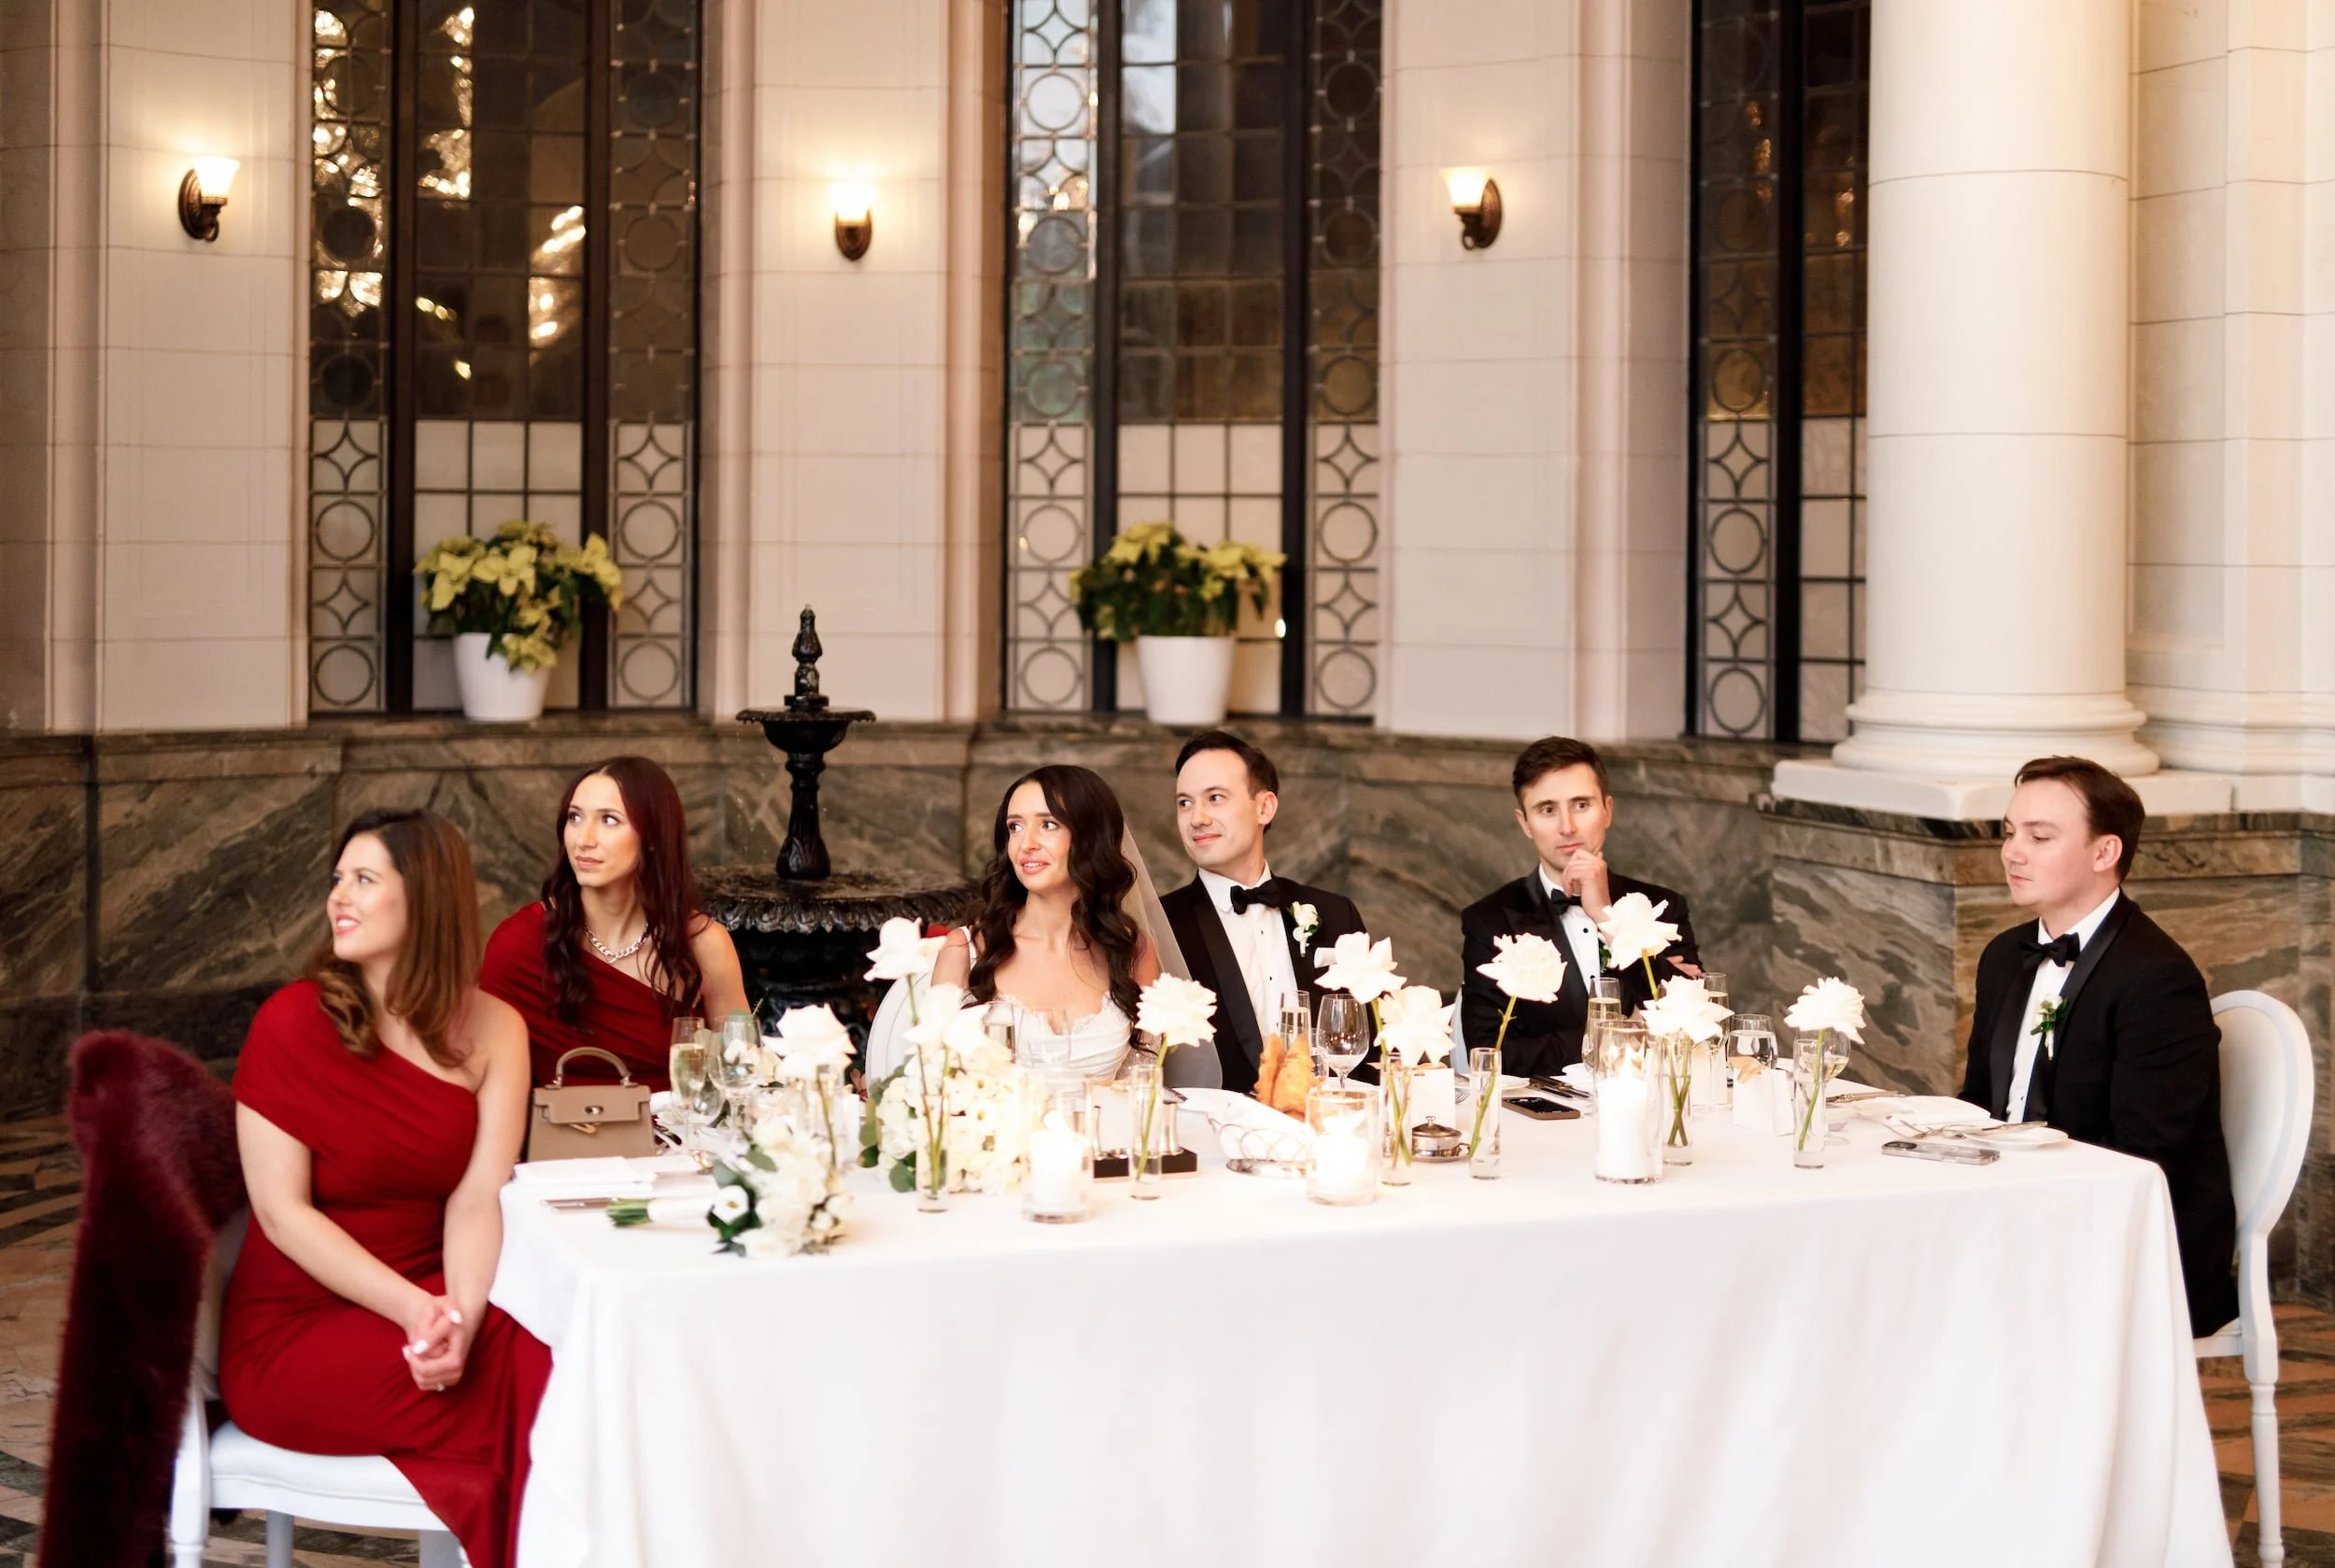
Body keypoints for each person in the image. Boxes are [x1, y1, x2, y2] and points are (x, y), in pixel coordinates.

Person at [220, 809, 550, 1568]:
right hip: (295, 1332)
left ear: (426, 897)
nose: (340, 896)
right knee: (540, 1382)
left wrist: (460, 1315)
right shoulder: (289, 1022)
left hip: (434, 1294)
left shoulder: (497, 1028)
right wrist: (417, 1311)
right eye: (338, 879)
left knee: (556, 1336)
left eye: (364, 879)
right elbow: (282, 1213)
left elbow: (476, 1196)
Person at [1956, 756, 2237, 1334]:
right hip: (2015, 1205)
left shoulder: (2157, 977)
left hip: (2129, 1238)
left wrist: (2021, 1199)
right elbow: (1983, 1102)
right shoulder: (2005, 956)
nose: (2013, 852)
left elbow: (2144, 1152)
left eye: (2040, 837)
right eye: (2010, 834)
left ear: (2104, 852)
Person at [481, 756, 749, 1089]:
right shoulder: (518, 942)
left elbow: (742, 1075)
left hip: (676, 1137)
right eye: (575, 818)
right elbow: (483, 1074)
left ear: (652, 836)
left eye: (609, 820)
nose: (584, 839)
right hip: (561, 1135)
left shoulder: (704, 943)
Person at [1458, 736, 1701, 1077]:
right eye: (1547, 810)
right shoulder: (1492, 920)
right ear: (1525, 823)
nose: (1567, 827)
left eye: (1581, 805)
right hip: (1543, 1118)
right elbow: (1491, 1055)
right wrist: (1617, 1035)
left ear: (1608, 811)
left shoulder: (1663, 906)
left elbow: (1690, 1025)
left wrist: (1605, 916)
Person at [1157, 730, 1369, 1094]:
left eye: (1215, 798)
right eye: (1185, 803)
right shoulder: (1160, 926)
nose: (1197, 818)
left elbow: (1367, 1046)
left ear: (1264, 807)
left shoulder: (1335, 914)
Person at [934, 764, 1162, 1081]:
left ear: (1091, 839)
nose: (1026, 843)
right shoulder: (963, 951)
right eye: (1015, 827)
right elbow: (934, 1089)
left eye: (1048, 825)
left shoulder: (1131, 951)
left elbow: (1141, 1087)